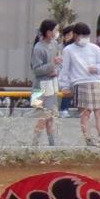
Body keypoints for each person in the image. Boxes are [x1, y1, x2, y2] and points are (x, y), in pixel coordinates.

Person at [59, 21, 100, 146]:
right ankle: (87, 138)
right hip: (79, 82)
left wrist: (96, 68)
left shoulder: (95, 48)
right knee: (85, 113)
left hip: (95, 81)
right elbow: (65, 70)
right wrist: (64, 86)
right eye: (82, 36)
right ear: (75, 36)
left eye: (87, 36)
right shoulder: (68, 50)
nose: (85, 39)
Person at [28, 19, 61, 148]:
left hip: (51, 86)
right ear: (48, 32)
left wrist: (55, 69)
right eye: (55, 30)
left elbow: (57, 65)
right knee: (41, 116)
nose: (57, 33)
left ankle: (52, 144)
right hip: (39, 88)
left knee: (50, 117)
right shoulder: (38, 48)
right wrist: (52, 65)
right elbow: (37, 70)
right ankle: (34, 144)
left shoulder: (54, 44)